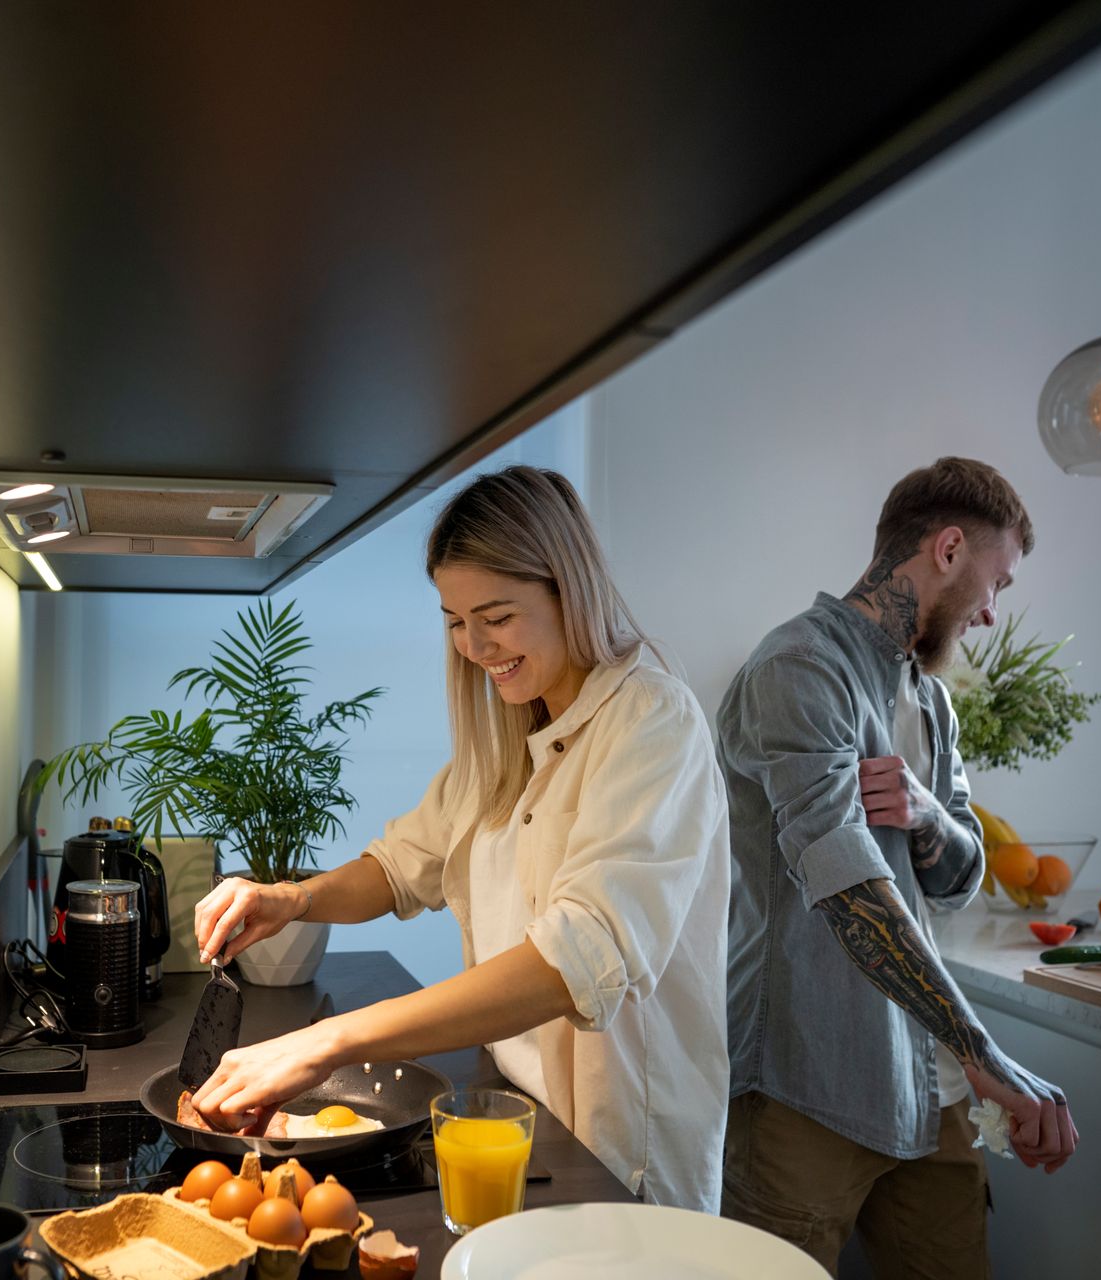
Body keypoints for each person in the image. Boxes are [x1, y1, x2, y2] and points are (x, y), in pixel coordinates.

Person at [190, 465, 731, 1211]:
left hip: (620, 1153)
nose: (475, 645)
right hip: (516, 1105)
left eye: (497, 616)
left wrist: (326, 1042)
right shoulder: (513, 728)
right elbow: (403, 864)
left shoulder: (652, 723)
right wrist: (289, 898)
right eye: (454, 619)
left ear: (566, 588)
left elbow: (574, 962)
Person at [716, 457, 1078, 1277]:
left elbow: (959, 881)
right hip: (806, 1085)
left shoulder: (933, 700)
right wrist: (988, 1054)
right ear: (948, 548)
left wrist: (925, 812)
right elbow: (850, 892)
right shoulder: (798, 668)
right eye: (999, 583)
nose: (990, 612)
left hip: (930, 1087)